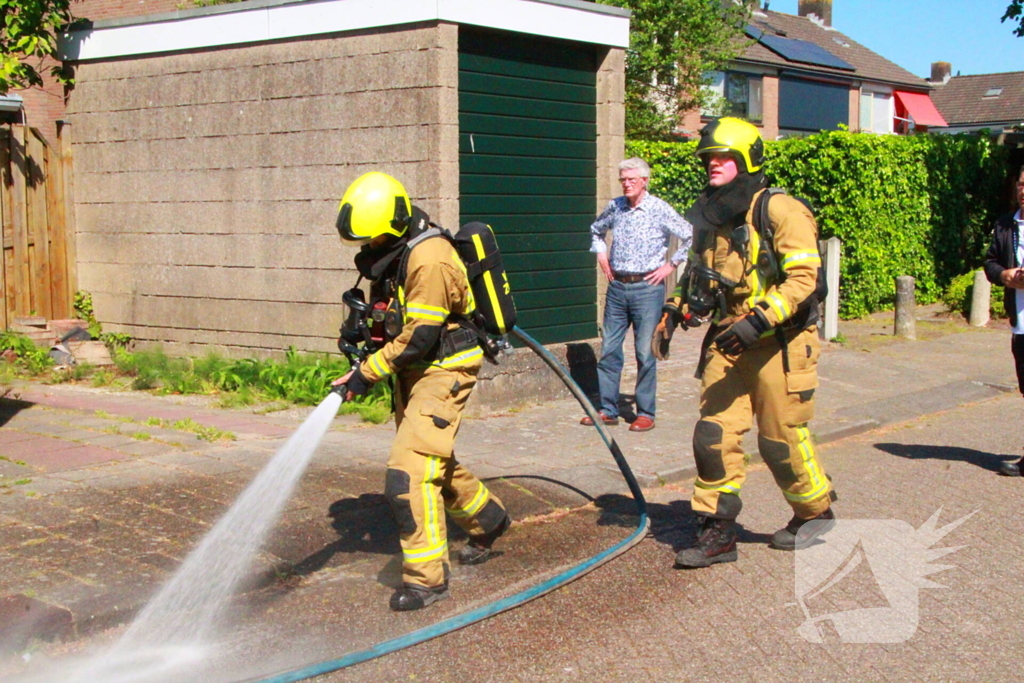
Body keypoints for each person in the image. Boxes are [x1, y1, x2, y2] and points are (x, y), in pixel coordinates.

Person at [332, 172, 510, 611]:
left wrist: (367, 373)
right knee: (432, 459)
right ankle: (488, 519)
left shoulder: (429, 259)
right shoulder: (398, 252)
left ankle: (427, 580)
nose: (370, 247)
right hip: (414, 370)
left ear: (392, 226)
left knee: (408, 473)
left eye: (373, 239)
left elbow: (421, 336)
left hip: (444, 369)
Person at [668, 118, 834, 568]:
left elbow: (804, 279)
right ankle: (718, 529)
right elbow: (698, 273)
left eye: (722, 156)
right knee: (712, 435)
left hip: (780, 341)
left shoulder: (780, 210)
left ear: (746, 160)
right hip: (729, 341)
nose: (712, 164)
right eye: (708, 157)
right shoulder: (711, 213)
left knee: (780, 441)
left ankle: (814, 512)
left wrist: (759, 318)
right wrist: (675, 309)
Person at [582, 158, 692, 432]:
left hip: (647, 289)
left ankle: (645, 413)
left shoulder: (658, 208)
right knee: (609, 349)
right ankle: (608, 410)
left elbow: (691, 236)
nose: (626, 184)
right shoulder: (616, 207)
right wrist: (601, 254)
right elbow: (596, 230)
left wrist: (670, 266)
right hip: (617, 287)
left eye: (632, 179)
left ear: (644, 181)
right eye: (623, 180)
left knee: (645, 352)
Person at [984, 165, 1024, 476]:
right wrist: (1004, 275)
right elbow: (990, 262)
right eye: (1022, 184)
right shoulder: (1006, 225)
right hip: (1021, 324)